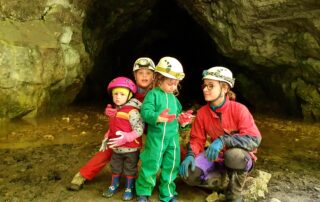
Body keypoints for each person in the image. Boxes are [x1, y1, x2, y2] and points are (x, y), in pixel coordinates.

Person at [68, 57, 155, 191]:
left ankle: (195, 170)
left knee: (171, 145)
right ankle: (83, 174)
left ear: (154, 76)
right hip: (132, 124)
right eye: (140, 73)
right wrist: (112, 112)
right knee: (112, 144)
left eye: (148, 73)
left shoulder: (158, 92)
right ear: (134, 76)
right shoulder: (128, 90)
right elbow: (119, 105)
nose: (144, 76)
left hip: (152, 125)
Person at [179, 66, 261, 202]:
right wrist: (190, 155)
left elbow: (254, 139)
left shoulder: (239, 109)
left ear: (224, 88)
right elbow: (197, 139)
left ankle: (234, 193)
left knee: (233, 155)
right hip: (217, 157)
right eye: (204, 85)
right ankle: (222, 182)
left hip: (240, 159)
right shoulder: (202, 113)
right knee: (189, 174)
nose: (205, 89)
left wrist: (223, 140)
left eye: (211, 86)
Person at [135, 56, 186, 202]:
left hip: (173, 139)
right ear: (158, 79)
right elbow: (145, 112)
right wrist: (157, 117)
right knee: (151, 162)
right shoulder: (153, 95)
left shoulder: (174, 99)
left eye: (176, 84)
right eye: (170, 83)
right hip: (156, 138)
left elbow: (178, 116)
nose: (173, 87)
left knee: (172, 164)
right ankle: (144, 191)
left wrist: (184, 121)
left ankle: (168, 192)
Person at [100, 76, 144, 200]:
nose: (118, 97)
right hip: (116, 148)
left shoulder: (133, 112)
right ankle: (114, 185)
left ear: (130, 95)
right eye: (115, 94)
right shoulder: (114, 111)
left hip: (131, 149)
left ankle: (129, 187)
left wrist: (127, 137)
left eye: (122, 94)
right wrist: (106, 138)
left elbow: (139, 129)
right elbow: (113, 128)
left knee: (130, 168)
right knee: (115, 167)